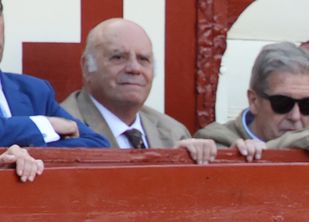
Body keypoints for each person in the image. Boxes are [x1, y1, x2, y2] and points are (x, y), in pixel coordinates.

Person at [61, 18, 217, 164]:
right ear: (87, 67)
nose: (134, 69)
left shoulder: (173, 133)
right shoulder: (62, 128)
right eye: (118, 57)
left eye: (143, 59)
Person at [0, 0, 109, 149]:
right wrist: (45, 125)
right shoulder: (44, 122)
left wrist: (30, 155)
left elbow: (97, 145)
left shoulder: (34, 91)